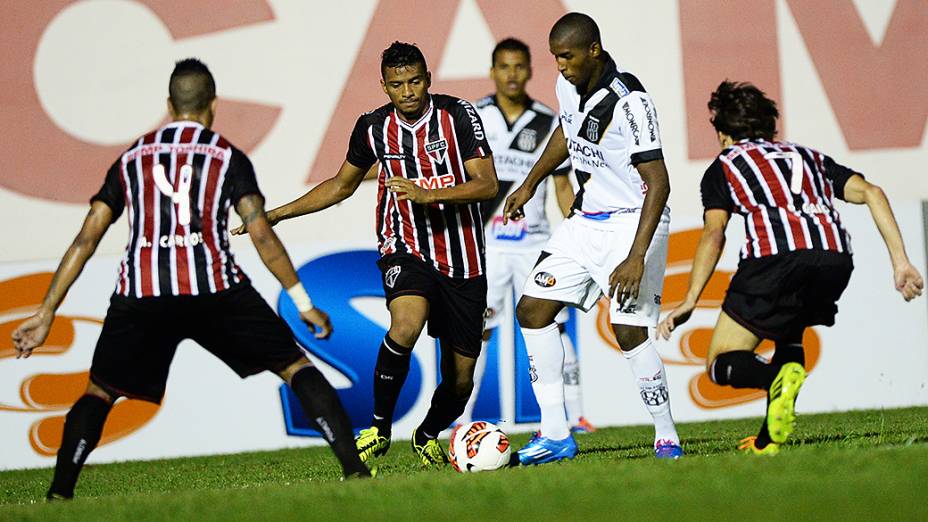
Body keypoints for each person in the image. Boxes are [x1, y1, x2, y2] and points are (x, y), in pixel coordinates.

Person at [11, 59, 372, 500]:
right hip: (215, 289)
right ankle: (354, 473)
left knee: (100, 390)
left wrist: (46, 312)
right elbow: (260, 233)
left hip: (142, 292)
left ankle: (59, 494)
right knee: (294, 365)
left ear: (168, 104)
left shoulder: (131, 159)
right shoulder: (226, 157)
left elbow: (87, 238)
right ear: (213, 105)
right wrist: (302, 301)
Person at [234, 42, 498, 468]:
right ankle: (378, 428)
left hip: (463, 257)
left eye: (415, 81)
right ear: (384, 86)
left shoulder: (457, 115)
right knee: (405, 325)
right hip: (404, 247)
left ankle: (428, 432)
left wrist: (429, 194)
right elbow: (340, 185)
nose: (408, 91)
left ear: (428, 79)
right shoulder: (373, 128)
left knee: (461, 380)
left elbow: (487, 184)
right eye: (397, 85)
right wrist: (276, 214)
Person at [657, 80, 924, 454]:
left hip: (774, 261)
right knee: (788, 335)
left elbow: (714, 233)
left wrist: (689, 299)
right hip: (834, 260)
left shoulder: (726, 165)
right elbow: (872, 193)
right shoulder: (808, 157)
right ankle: (769, 440)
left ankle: (774, 377)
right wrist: (901, 262)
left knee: (719, 362)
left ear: (722, 134)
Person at [503, 13, 683, 464]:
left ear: (593, 51)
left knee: (627, 332)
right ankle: (556, 433)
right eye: (555, 58)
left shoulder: (632, 103)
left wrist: (636, 256)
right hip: (585, 220)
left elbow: (658, 183)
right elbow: (567, 132)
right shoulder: (569, 87)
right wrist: (530, 183)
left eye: (567, 56)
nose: (560, 66)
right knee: (532, 309)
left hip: (633, 223)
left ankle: (666, 434)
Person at [465, 37, 594, 433]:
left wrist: (578, 228)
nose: (512, 75)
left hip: (534, 241)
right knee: (476, 329)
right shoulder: (475, 118)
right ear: (492, 71)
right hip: (485, 243)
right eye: (504, 67)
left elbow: (561, 186)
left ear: (530, 70)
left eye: (519, 66)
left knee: (550, 323)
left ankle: (575, 415)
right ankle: (462, 419)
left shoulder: (547, 120)